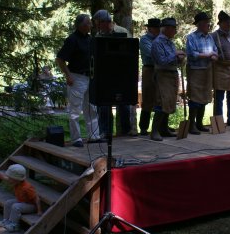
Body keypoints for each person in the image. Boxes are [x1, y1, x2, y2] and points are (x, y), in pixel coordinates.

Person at [55, 14, 101, 148]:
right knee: (75, 110)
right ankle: (76, 139)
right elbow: (60, 59)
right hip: (76, 77)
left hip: (89, 77)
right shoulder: (72, 40)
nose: (91, 26)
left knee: (92, 108)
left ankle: (94, 136)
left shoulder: (90, 39)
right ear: (82, 25)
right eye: (89, 23)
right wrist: (68, 75)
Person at [92, 9, 134, 137]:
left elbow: (131, 52)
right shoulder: (99, 35)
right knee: (104, 104)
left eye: (98, 23)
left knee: (124, 103)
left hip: (122, 74)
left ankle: (126, 130)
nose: (97, 26)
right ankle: (105, 131)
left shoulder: (123, 32)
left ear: (105, 22)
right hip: (105, 75)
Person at [150, 17, 186, 141]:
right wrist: (175, 54)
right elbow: (162, 61)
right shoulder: (157, 42)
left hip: (171, 74)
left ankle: (163, 129)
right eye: (173, 28)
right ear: (166, 29)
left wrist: (180, 59)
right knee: (162, 101)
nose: (175, 31)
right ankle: (154, 131)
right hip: (162, 75)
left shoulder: (170, 42)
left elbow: (173, 60)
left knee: (169, 102)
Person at [185, 11, 218, 134]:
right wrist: (207, 55)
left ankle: (199, 123)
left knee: (204, 97)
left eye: (208, 23)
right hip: (195, 71)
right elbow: (191, 54)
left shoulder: (210, 37)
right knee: (194, 97)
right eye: (206, 23)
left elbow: (215, 50)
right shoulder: (191, 38)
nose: (208, 25)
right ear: (199, 25)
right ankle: (191, 124)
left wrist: (215, 56)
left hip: (207, 71)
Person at [0, 163, 42, 232]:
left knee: (15, 206)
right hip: (22, 201)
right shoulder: (16, 182)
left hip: (31, 206)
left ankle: (14, 225)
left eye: (10, 178)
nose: (8, 179)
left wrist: (39, 210)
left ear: (17, 179)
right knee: (8, 203)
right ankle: (6, 221)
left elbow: (37, 198)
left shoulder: (27, 187)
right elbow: (3, 177)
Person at [138, 18, 161, 135]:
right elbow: (151, 53)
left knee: (161, 98)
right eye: (156, 28)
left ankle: (160, 126)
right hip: (149, 69)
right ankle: (143, 127)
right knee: (147, 99)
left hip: (161, 70)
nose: (159, 30)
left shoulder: (161, 38)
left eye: (159, 27)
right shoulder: (144, 40)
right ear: (150, 28)